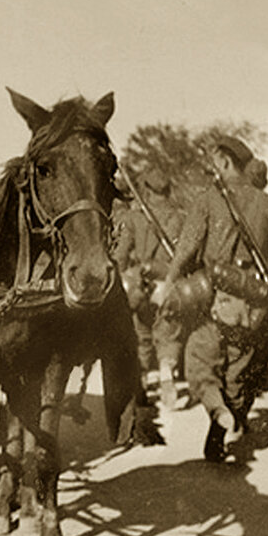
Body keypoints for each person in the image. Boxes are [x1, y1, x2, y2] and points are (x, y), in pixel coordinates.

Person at [162, 136, 268, 462]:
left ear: (224, 162)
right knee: (238, 366)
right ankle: (228, 417)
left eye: (214, 160)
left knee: (201, 359)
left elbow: (187, 249)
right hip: (256, 301)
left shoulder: (208, 199)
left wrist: (170, 283)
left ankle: (217, 411)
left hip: (218, 295)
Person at [112, 166, 183, 405]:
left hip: (141, 284)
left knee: (141, 333)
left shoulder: (134, 217)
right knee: (168, 334)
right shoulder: (180, 217)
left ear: (147, 190)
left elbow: (121, 255)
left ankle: (141, 382)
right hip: (169, 284)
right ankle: (166, 375)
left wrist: (123, 280)